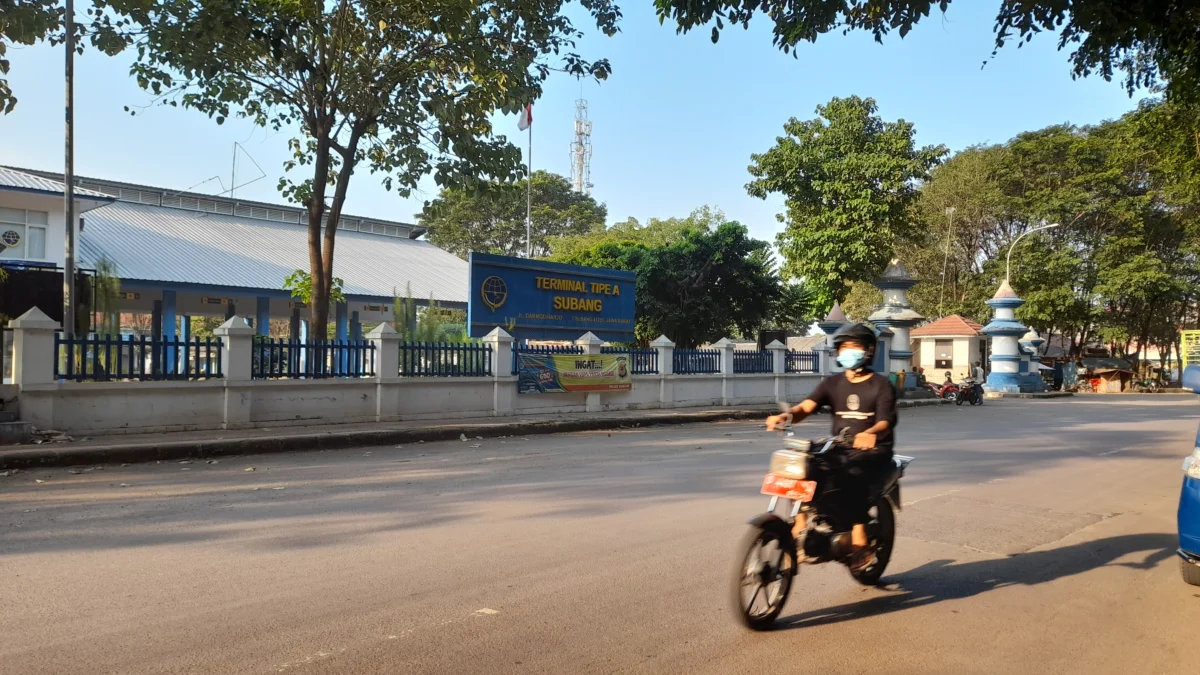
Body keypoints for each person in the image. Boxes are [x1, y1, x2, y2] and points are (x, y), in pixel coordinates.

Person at [766, 323, 898, 571]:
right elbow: (806, 407)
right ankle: (801, 524)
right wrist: (786, 417)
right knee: (807, 466)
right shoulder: (833, 383)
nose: (848, 351)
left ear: (869, 351)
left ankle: (859, 537)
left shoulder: (881, 385)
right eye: (844, 347)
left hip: (874, 451)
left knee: (854, 474)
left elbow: (885, 421)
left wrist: (869, 434)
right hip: (840, 447)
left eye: (854, 346)